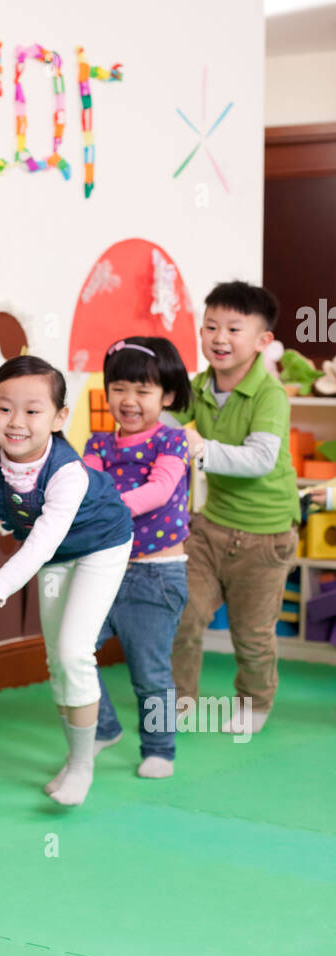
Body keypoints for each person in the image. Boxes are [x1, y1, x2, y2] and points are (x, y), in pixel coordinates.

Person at [0, 357, 133, 806]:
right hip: (58, 556)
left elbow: (38, 547)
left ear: (60, 417)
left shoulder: (67, 472)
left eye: (33, 410)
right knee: (55, 658)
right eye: (4, 408)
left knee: (73, 650)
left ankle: (83, 767)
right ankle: (82, 747)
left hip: (102, 545)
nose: (16, 422)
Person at [171, 281, 300, 736]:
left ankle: (256, 701)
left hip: (266, 535)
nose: (218, 338)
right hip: (210, 526)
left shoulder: (270, 394)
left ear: (263, 341)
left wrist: (201, 449)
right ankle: (180, 699)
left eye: (233, 328)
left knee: (252, 634)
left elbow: (261, 459)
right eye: (209, 326)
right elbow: (164, 424)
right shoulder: (197, 386)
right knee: (183, 612)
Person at [83, 336, 192, 778]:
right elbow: (82, 487)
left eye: (143, 391)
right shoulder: (98, 444)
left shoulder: (172, 441)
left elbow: (159, 491)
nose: (129, 400)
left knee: (150, 672)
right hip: (103, 570)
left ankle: (160, 749)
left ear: (165, 396)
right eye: (120, 388)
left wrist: (103, 506)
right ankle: (103, 727)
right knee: (73, 652)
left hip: (156, 575)